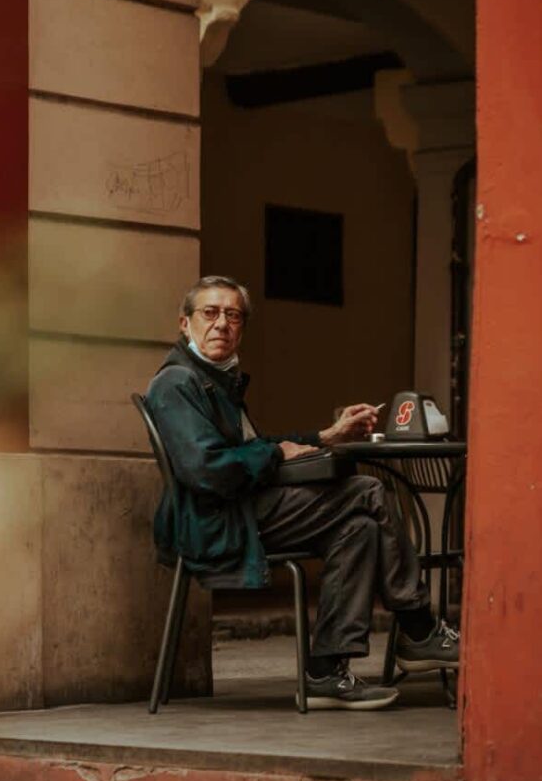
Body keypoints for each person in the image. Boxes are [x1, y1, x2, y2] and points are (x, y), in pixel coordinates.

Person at [146, 275, 460, 711]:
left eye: (233, 315)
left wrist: (325, 436)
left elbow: (255, 449)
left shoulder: (215, 379)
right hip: (216, 522)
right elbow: (206, 472)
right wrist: (276, 452)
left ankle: (326, 671)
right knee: (368, 490)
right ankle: (420, 628)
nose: (222, 324)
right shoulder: (177, 384)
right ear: (185, 323)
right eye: (210, 313)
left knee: (360, 529)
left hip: (238, 510)